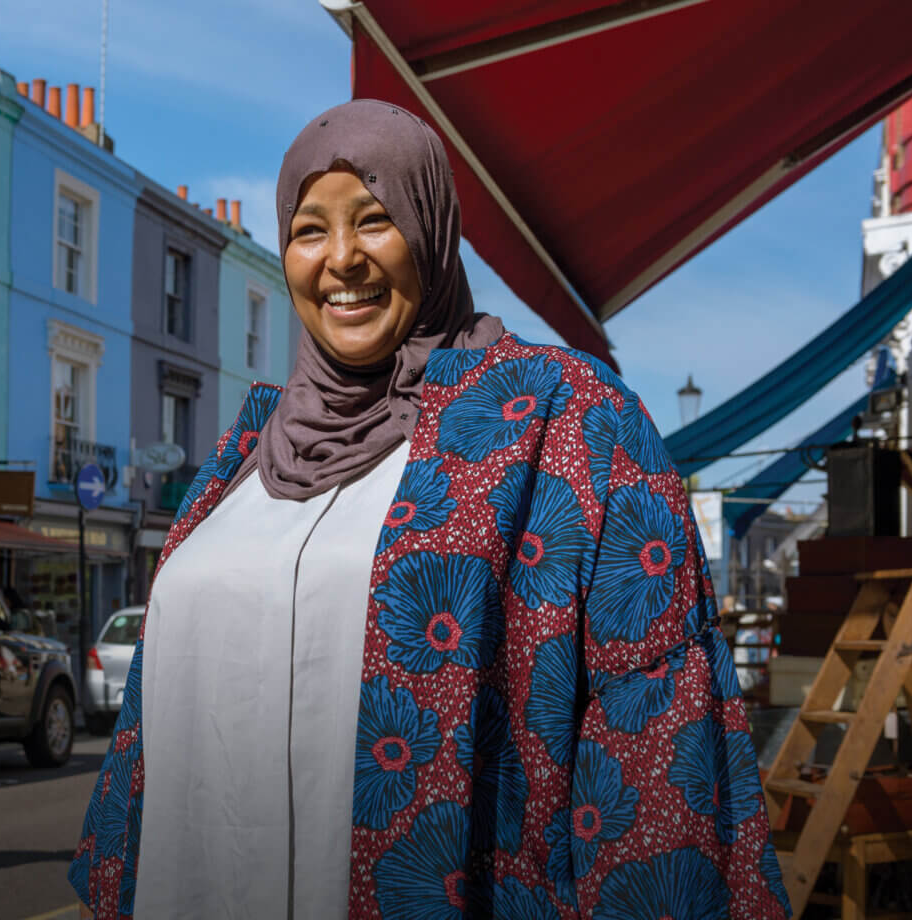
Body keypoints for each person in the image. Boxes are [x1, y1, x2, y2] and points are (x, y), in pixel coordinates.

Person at [70, 101, 791, 919]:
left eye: (375, 219)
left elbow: (658, 745)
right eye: (309, 231)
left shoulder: (567, 423)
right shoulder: (244, 457)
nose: (341, 260)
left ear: (433, 229)